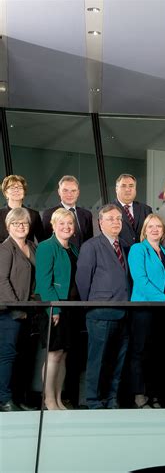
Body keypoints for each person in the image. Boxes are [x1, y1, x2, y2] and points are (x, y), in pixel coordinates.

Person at [76, 204, 130, 409]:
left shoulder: (124, 245)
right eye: (110, 219)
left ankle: (111, 398)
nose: (116, 222)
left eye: (118, 219)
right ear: (100, 223)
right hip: (100, 312)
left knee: (118, 360)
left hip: (124, 312)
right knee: (98, 360)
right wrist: (92, 306)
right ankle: (93, 401)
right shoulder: (91, 246)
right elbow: (83, 281)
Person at [128, 213, 165, 409]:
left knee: (159, 354)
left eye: (158, 226)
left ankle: (154, 394)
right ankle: (139, 396)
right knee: (140, 353)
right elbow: (140, 281)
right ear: (144, 230)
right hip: (143, 309)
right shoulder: (138, 249)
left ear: (163, 231)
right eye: (151, 226)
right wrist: (164, 298)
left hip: (162, 310)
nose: (155, 229)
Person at [35, 208, 79, 410]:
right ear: (53, 226)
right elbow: (44, 283)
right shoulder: (46, 247)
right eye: (61, 223)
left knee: (63, 355)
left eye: (70, 223)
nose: (66, 227)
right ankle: (48, 400)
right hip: (54, 308)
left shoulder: (73, 249)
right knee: (53, 354)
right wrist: (55, 309)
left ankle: (58, 399)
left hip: (71, 308)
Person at [0, 208, 36, 412]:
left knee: (24, 356)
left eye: (24, 223)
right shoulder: (5, 249)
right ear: (8, 227)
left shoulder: (32, 246)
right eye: (16, 223)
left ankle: (20, 398)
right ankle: (4, 399)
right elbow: (1, 281)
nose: (21, 226)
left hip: (28, 311)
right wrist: (16, 308)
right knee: (7, 355)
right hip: (8, 312)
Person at [42, 175, 93, 249]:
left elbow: (89, 242)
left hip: (84, 258)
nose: (69, 194)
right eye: (65, 190)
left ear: (78, 192)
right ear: (59, 192)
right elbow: (46, 243)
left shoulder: (87, 214)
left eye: (73, 191)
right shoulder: (49, 214)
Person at [0, 175, 45, 243]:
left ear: (24, 192)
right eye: (12, 188)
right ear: (6, 193)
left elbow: (42, 240)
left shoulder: (33, 214)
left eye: (20, 187)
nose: (16, 190)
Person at [112, 174, 152, 248]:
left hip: (142, 255)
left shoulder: (146, 209)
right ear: (116, 189)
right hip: (120, 256)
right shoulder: (107, 210)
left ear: (135, 189)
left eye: (131, 186)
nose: (128, 189)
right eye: (123, 186)